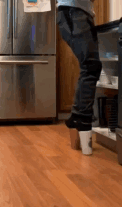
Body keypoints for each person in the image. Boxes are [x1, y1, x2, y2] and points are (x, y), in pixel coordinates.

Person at [56, 0, 102, 155]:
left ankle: (78, 116)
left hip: (80, 13)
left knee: (90, 67)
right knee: (91, 66)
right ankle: (81, 119)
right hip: (73, 11)